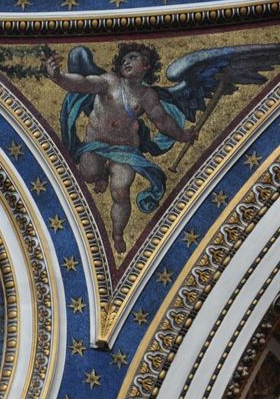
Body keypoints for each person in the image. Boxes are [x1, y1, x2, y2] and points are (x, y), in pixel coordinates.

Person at [46, 44, 196, 253]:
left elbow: (161, 121)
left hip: (125, 151)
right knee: (88, 174)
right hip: (96, 144)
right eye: (124, 58)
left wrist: (182, 136)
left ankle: (117, 233)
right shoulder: (109, 82)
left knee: (121, 192)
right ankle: (101, 175)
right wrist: (59, 77)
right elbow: (84, 83)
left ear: (146, 66)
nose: (126, 61)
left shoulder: (147, 95)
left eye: (133, 57)